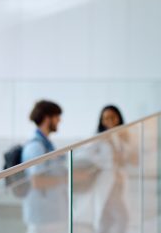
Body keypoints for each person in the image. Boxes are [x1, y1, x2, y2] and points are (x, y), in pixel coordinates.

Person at [74, 105, 138, 233]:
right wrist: (105, 162)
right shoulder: (98, 137)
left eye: (112, 117)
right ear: (102, 121)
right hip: (106, 181)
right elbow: (86, 153)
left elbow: (131, 158)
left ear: (118, 118)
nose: (109, 121)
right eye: (105, 118)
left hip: (120, 180)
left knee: (107, 218)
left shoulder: (123, 136)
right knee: (122, 218)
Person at [22, 99, 67, 233]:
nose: (60, 121)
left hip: (52, 215)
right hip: (42, 218)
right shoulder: (36, 147)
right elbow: (37, 181)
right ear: (48, 118)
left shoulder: (47, 145)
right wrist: (67, 179)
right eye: (57, 117)